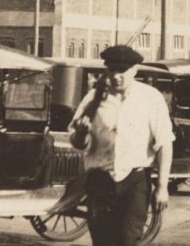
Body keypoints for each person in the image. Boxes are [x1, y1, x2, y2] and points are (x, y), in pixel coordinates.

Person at [70, 45, 173, 246]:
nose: (117, 76)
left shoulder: (150, 98)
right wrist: (81, 133)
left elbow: (164, 143)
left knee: (127, 239)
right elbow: (78, 144)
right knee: (102, 241)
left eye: (123, 70)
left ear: (135, 70)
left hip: (135, 182)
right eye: (112, 70)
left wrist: (162, 187)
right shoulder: (93, 99)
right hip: (100, 181)